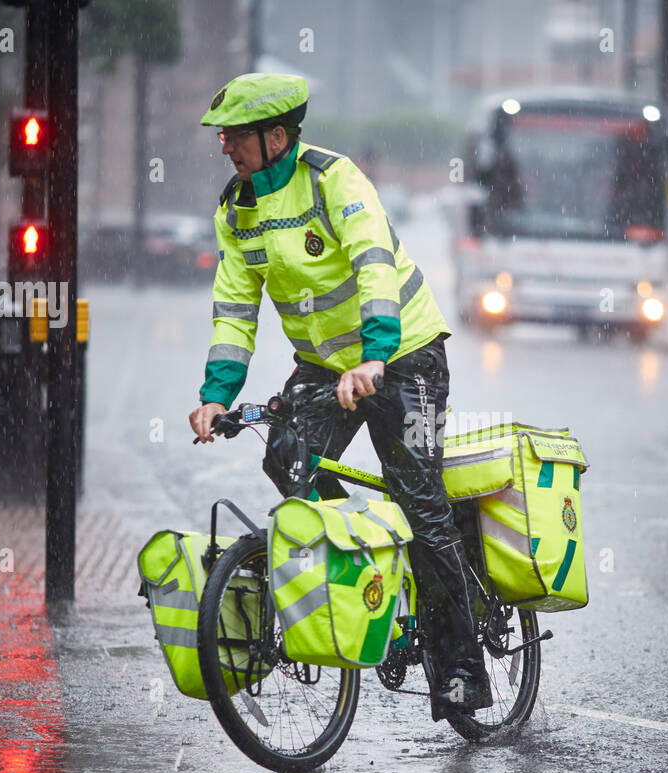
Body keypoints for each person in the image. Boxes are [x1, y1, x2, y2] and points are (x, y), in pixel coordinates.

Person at [188, 73, 492, 716]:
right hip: (326, 366)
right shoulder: (235, 209)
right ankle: (370, 561)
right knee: (286, 459)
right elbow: (235, 311)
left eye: (234, 135)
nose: (224, 147)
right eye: (222, 136)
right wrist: (217, 395)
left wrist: (377, 356)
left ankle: (463, 670)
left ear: (275, 137)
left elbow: (374, 264)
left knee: (420, 497)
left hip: (406, 356)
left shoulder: (334, 179)